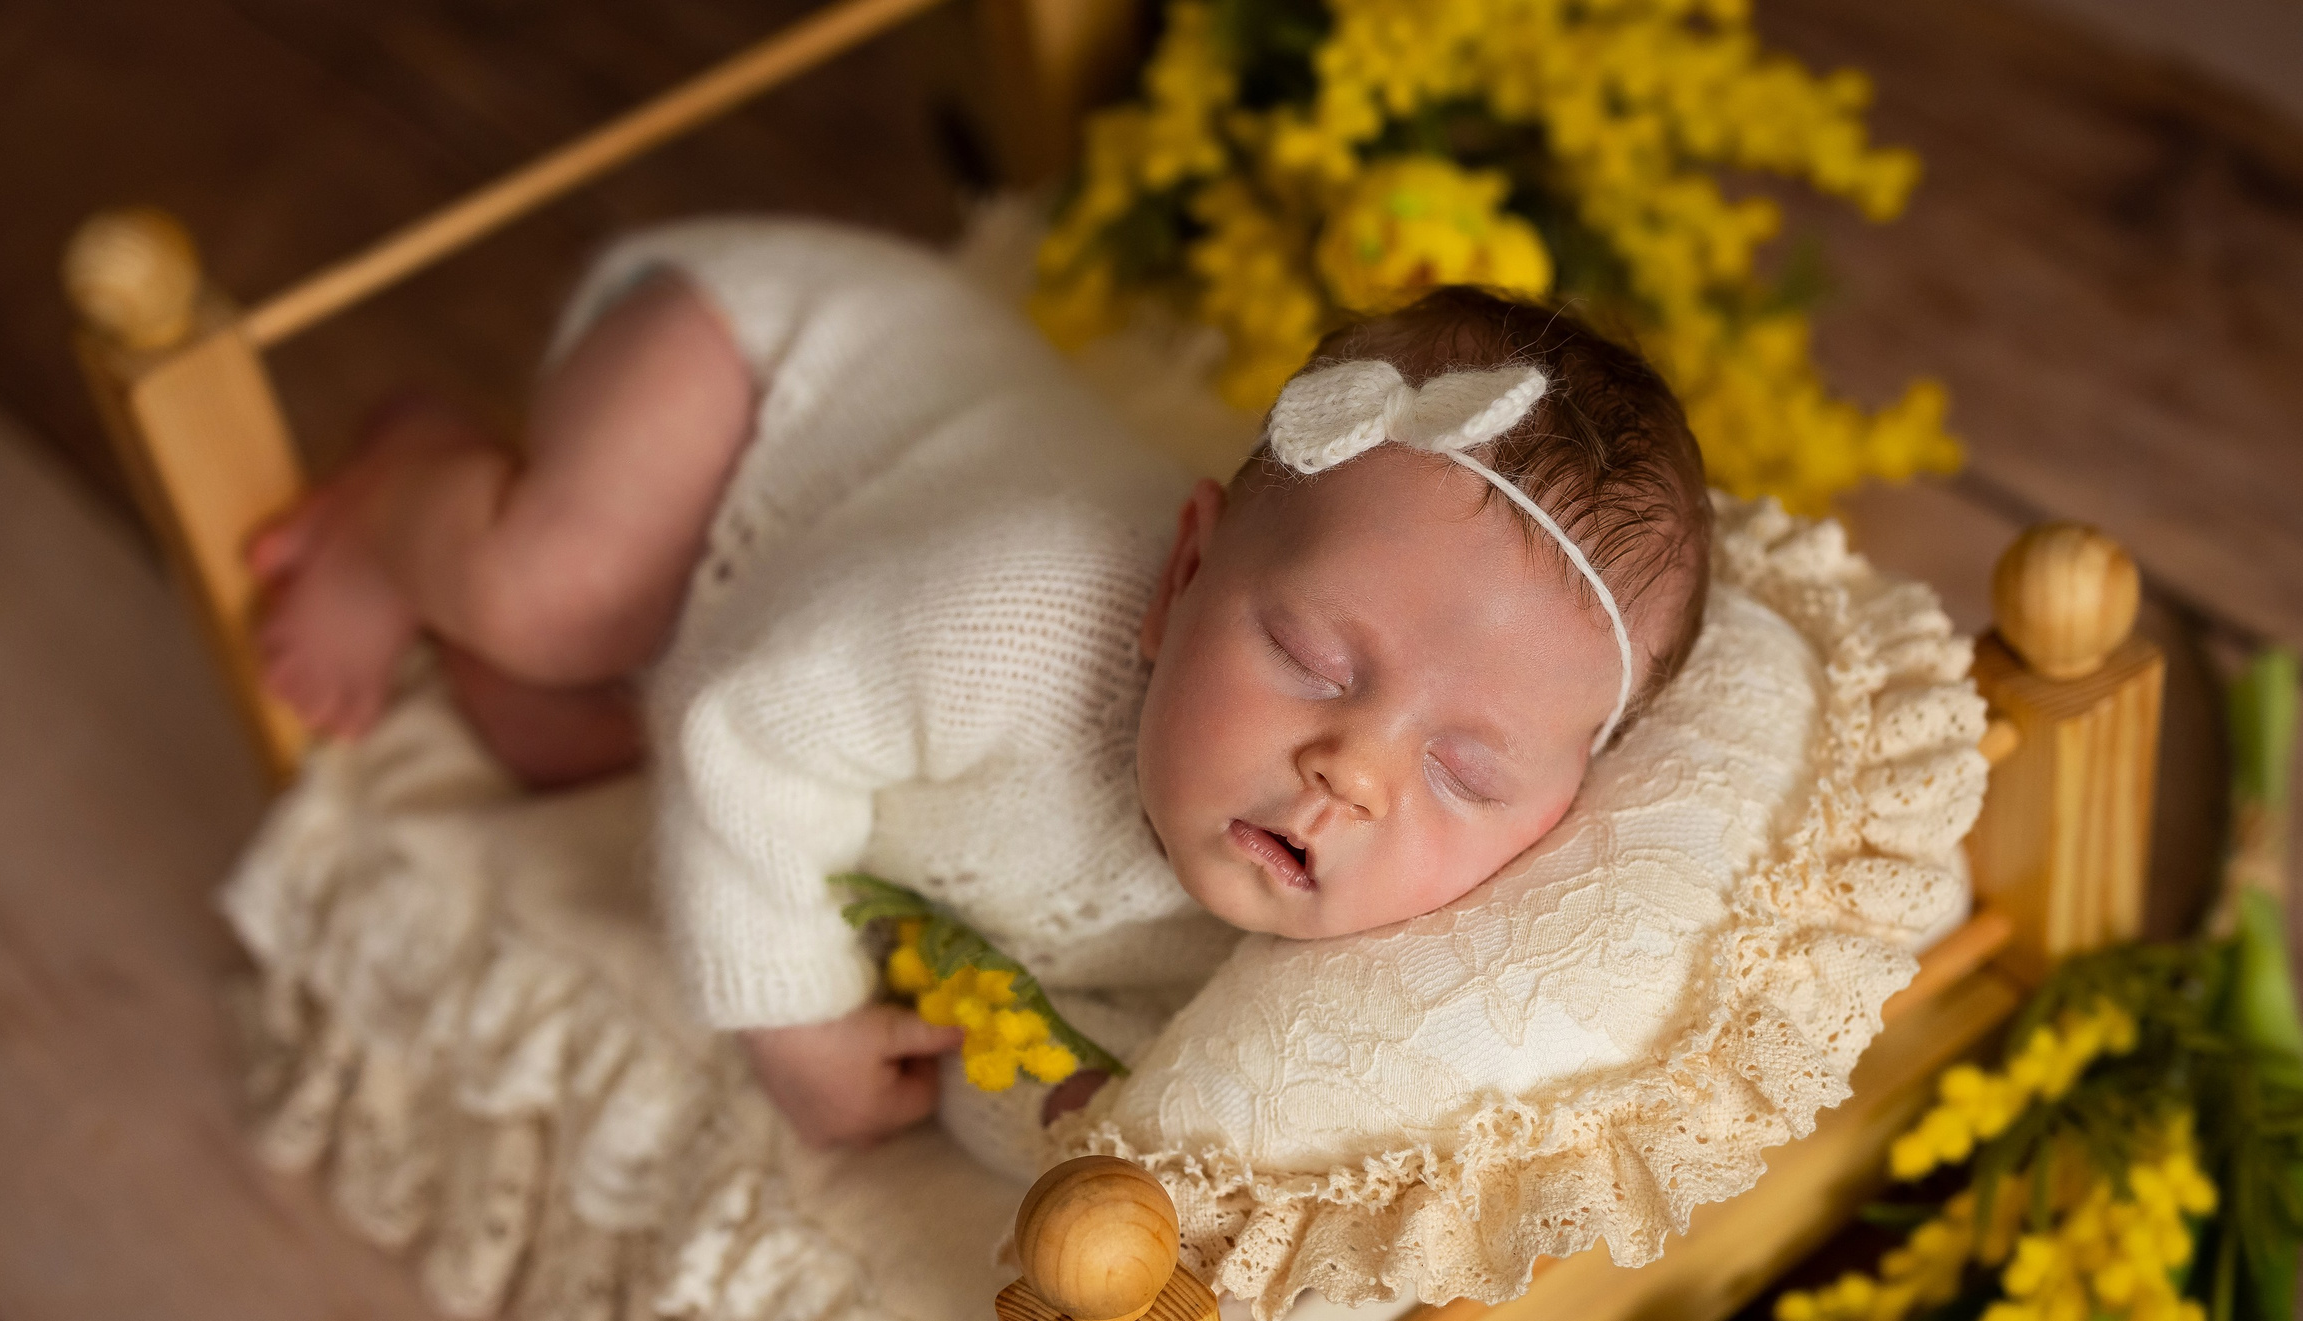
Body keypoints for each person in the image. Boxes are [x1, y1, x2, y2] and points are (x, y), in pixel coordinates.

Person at [249, 221, 1711, 1156]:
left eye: (1466, 771)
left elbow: (1061, 1046)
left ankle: (464, 476)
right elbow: (738, 733)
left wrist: (1081, 1130)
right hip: (757, 380)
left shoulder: (1309, 930)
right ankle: (409, 512)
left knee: (548, 737)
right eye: (1318, 662)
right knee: (559, 602)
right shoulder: (1008, 614)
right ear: (1180, 572)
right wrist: (791, 1019)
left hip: (779, 613)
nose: (1355, 770)